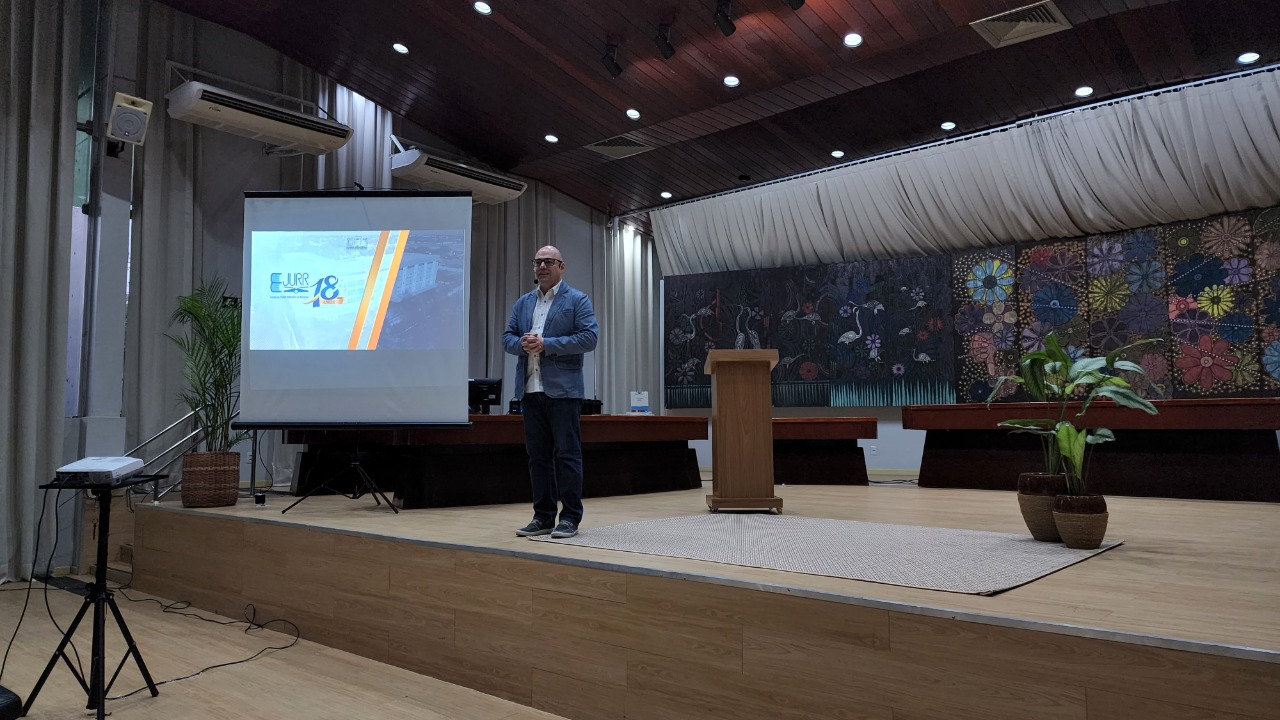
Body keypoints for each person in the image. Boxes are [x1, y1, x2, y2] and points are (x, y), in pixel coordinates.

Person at [503, 245, 599, 539]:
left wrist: (547, 344)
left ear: (562, 266)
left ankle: (570, 517)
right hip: (530, 390)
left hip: (564, 391)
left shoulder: (577, 300)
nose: (542, 266)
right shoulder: (523, 303)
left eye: (548, 261)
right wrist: (521, 343)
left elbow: (589, 337)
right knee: (538, 457)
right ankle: (543, 516)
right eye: (538, 262)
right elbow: (507, 338)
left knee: (567, 455)